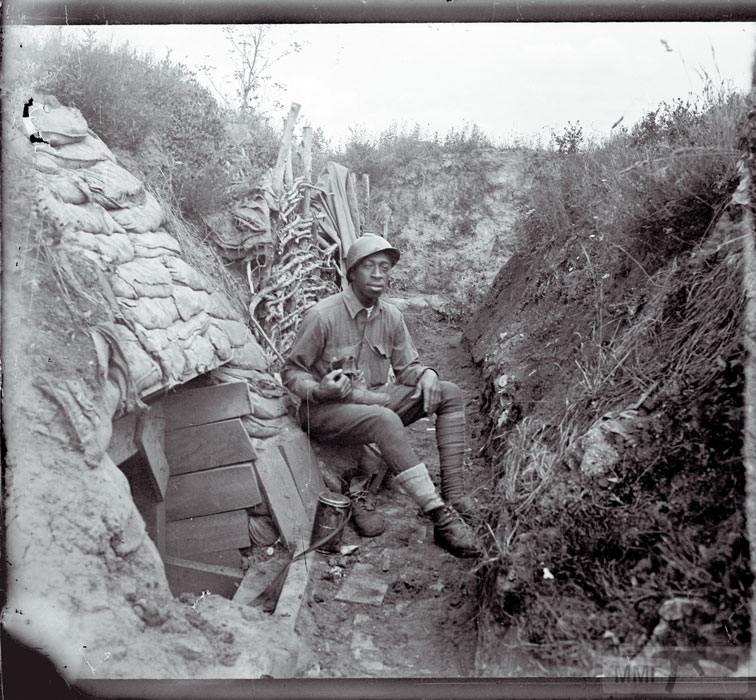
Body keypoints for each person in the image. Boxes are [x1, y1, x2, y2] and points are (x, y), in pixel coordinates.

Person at [282, 233, 479, 557]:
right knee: (384, 418)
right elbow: (291, 372)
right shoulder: (322, 315)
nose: (378, 274)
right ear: (352, 273)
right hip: (324, 409)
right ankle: (440, 518)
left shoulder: (391, 317)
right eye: (369, 266)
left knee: (448, 392)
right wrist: (319, 389)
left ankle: (454, 495)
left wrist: (428, 373)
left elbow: (407, 368)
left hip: (372, 402)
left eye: (384, 267)